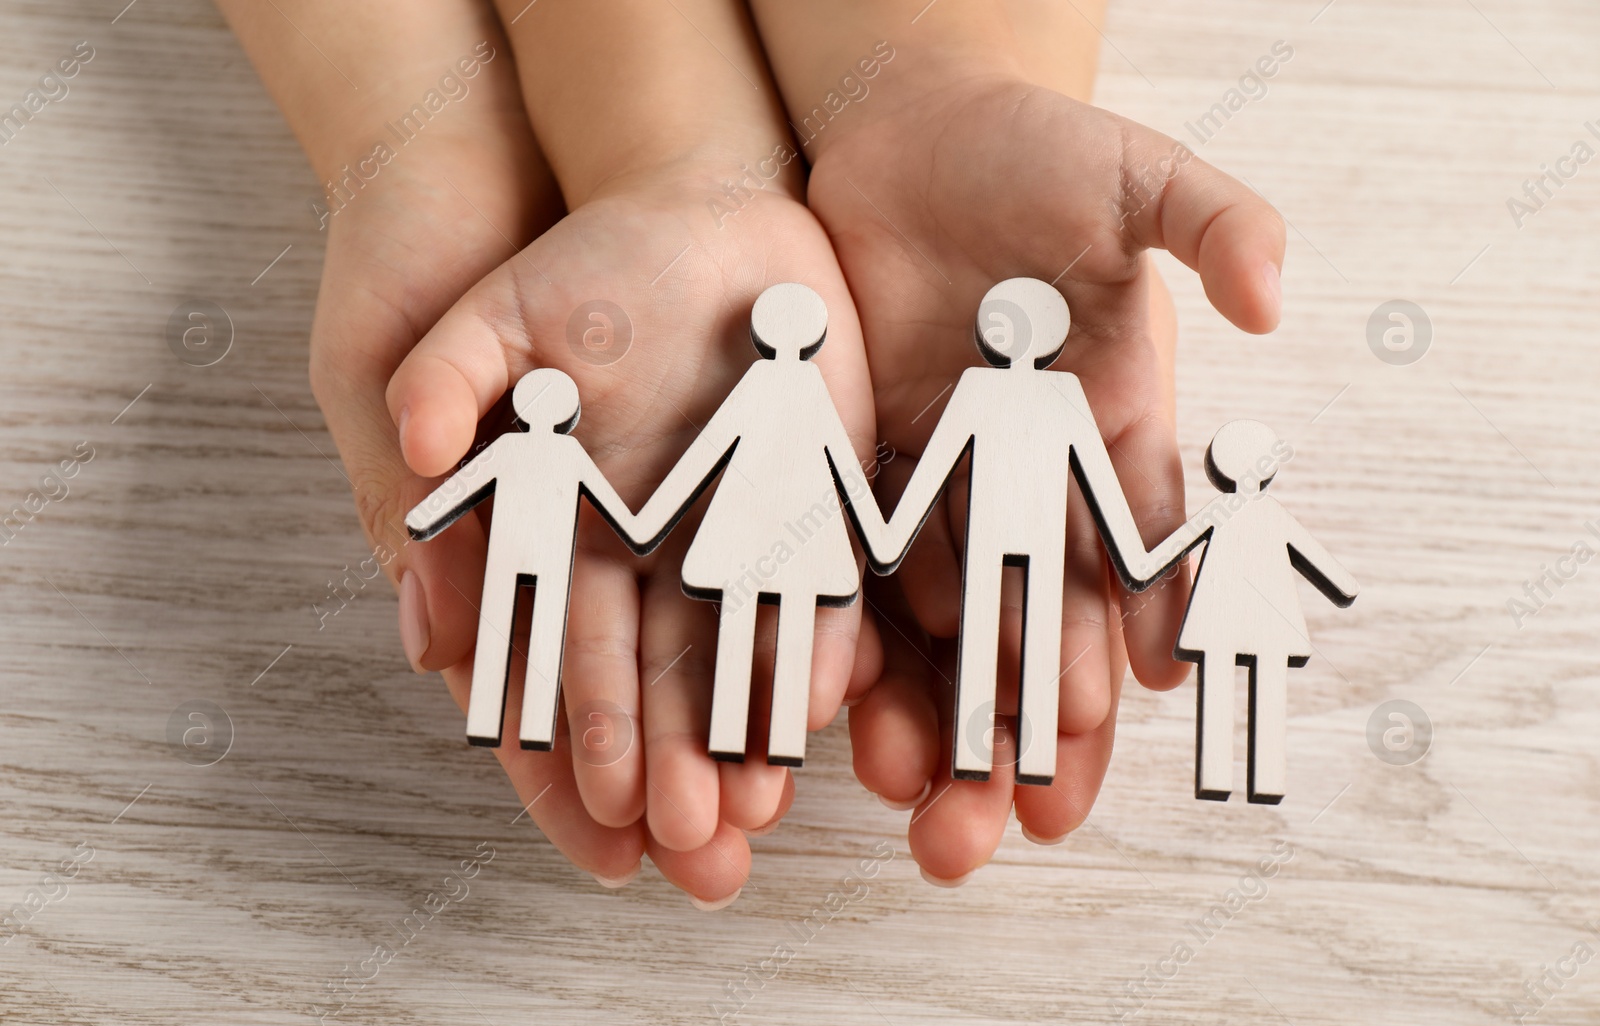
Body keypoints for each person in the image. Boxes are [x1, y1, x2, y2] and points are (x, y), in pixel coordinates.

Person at [219, 0, 1289, 897]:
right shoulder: (785, 395)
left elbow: (983, 460)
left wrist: (921, 78)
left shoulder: (963, 403)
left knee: (880, 638)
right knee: (783, 649)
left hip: (779, 524)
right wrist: (429, 126)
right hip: (759, 524)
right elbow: (746, 454)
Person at [856, 278, 1169, 785]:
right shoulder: (1031, 390)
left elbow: (939, 467)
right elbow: (941, 463)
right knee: (1019, 630)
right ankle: (999, 750)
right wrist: (1132, 556)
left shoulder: (1002, 388)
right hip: (1024, 530)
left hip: (1018, 530)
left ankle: (1001, 750)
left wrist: (893, 532)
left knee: (996, 628)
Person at [627, 283, 889, 768]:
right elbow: (844, 465)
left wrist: (650, 522)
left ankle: (738, 729)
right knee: (786, 624)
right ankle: (772, 736)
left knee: (741, 612)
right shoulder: (800, 384)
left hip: (753, 523)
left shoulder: (770, 382)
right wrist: (878, 536)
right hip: (798, 526)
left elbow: (707, 453)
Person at [405, 369, 648, 751]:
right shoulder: (568, 453)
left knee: (496, 633)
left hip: (510, 551)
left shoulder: (509, 448)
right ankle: (535, 725)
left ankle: (491, 719)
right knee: (547, 641)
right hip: (550, 557)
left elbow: (457, 491)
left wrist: (421, 519)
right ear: (567, 412)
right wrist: (644, 530)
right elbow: (617, 513)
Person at [1143, 421, 1359, 803]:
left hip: (1220, 615)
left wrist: (1132, 562)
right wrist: (1345, 586)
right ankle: (1263, 779)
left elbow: (1159, 558)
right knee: (1265, 693)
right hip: (1266, 622)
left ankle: (1219, 774)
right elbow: (1337, 579)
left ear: (1220, 467)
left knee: (1221, 689)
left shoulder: (1221, 511)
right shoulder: (1271, 514)